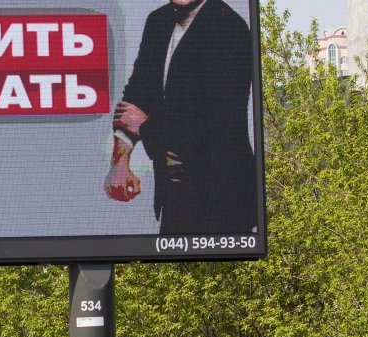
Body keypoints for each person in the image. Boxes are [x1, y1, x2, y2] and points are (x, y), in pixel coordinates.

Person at [104, 0, 257, 235]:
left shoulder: (230, 29)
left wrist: (145, 126)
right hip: (174, 192)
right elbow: (136, 95)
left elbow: (211, 124)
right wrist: (120, 163)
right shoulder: (158, 22)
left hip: (222, 197)